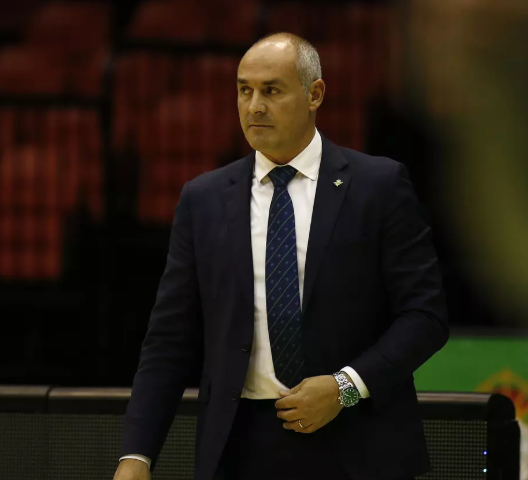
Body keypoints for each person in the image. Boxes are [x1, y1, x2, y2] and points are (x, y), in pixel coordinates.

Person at [113, 33, 449, 480]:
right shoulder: (203, 199)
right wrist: (136, 455)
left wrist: (345, 387)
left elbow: (426, 317)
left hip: (358, 442)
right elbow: (169, 340)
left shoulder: (378, 186)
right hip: (240, 447)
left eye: (271, 90)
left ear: (315, 94)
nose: (254, 106)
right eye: (244, 90)